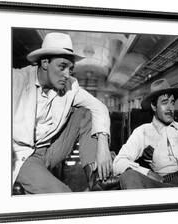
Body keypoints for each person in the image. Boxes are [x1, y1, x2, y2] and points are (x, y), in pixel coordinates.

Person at [12, 32, 118, 194]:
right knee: (63, 194)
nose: (67, 74)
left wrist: (103, 147)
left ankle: (96, 176)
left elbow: (99, 107)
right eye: (62, 67)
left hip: (51, 148)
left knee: (87, 112)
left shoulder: (70, 86)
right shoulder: (15, 80)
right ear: (45, 63)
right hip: (22, 156)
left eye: (70, 69)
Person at [113, 79, 178, 189]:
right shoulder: (142, 132)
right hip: (165, 184)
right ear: (153, 106)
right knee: (129, 176)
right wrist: (148, 173)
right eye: (165, 102)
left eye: (172, 102)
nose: (170, 108)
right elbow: (118, 162)